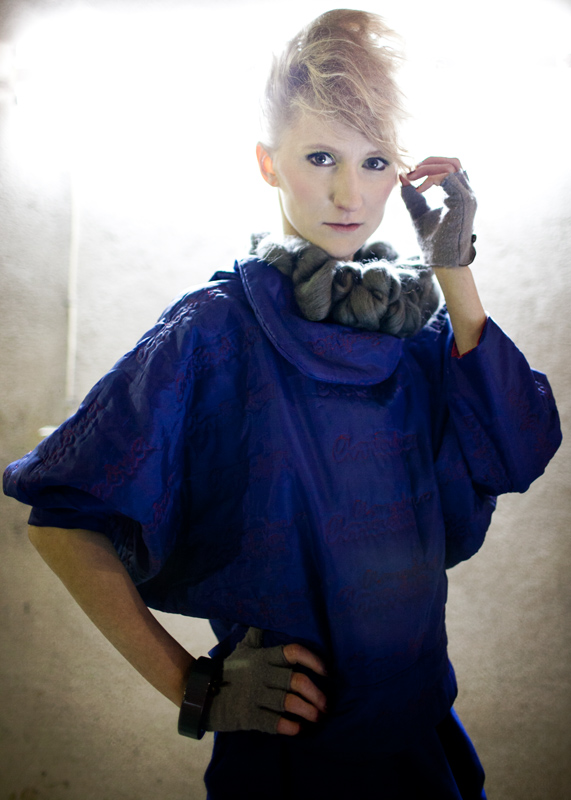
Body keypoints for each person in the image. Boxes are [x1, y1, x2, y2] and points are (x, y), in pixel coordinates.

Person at [3, 9, 562, 799]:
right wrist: (194, 688)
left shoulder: (416, 332)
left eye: (375, 162)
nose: (347, 192)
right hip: (288, 763)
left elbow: (520, 450)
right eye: (320, 156)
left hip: (425, 745)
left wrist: (453, 269)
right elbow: (62, 519)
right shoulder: (213, 329)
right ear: (268, 163)